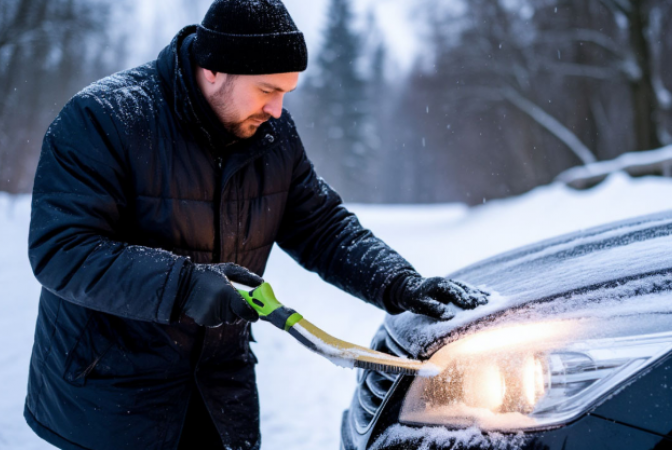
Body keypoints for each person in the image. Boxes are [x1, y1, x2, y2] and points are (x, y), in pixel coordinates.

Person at [24, 1, 488, 449]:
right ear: (213, 70)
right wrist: (185, 286)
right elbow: (63, 249)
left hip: (218, 386)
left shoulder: (271, 135)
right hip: (113, 389)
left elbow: (321, 225)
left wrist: (398, 283)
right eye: (268, 90)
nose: (277, 110)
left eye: (285, 93)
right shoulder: (104, 118)